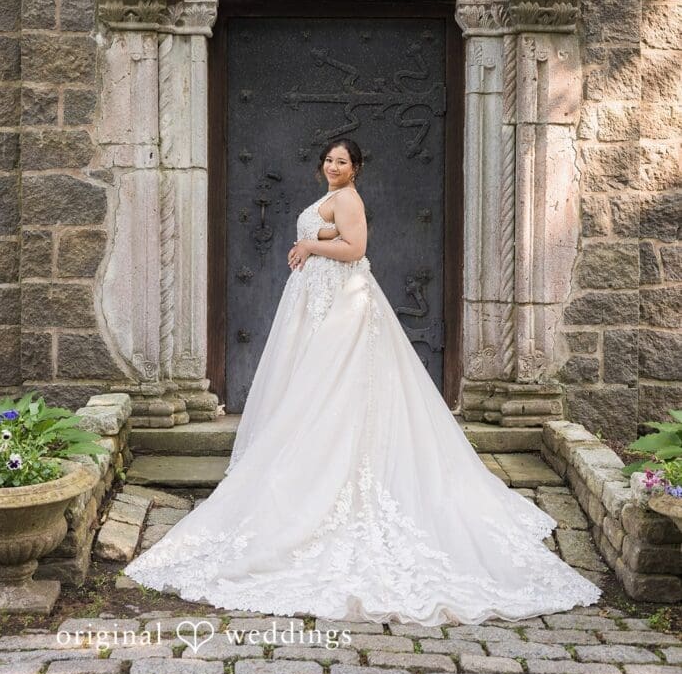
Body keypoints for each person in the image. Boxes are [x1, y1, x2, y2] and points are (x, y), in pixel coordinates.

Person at [124, 138, 601, 624]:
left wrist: (309, 244)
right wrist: (310, 248)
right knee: (317, 391)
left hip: (344, 306)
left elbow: (355, 250)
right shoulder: (330, 197)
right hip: (320, 300)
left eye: (342, 162)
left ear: (356, 168)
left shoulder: (349, 199)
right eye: (329, 160)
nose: (334, 167)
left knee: (338, 390)